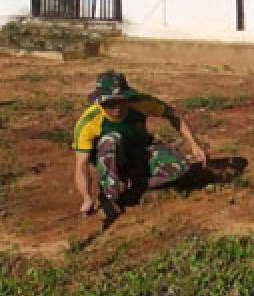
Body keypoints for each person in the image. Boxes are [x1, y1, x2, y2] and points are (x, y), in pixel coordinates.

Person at [72, 70, 208, 218]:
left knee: (181, 165)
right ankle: (110, 196)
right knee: (110, 140)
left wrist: (194, 145)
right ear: (100, 101)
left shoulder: (140, 103)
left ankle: (138, 185)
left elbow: (173, 114)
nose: (116, 107)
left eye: (120, 100)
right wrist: (86, 196)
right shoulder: (88, 122)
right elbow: (81, 166)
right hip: (112, 161)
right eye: (110, 102)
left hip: (140, 153)